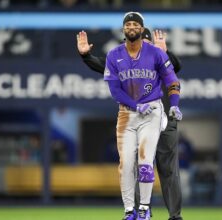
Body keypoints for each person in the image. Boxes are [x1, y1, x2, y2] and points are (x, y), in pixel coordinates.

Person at [77, 20, 184, 220]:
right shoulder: (125, 59)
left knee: (168, 169)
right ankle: (141, 211)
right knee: (136, 166)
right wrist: (86, 56)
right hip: (138, 117)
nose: (142, 46)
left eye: (146, 42)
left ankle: (175, 216)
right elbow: (103, 66)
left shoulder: (158, 56)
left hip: (164, 120)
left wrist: (165, 51)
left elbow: (176, 68)